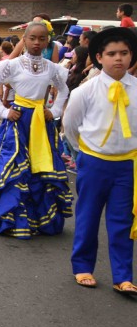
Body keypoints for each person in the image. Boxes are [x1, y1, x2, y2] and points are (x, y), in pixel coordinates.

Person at [0, 22, 73, 239]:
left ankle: (38, 219)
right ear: (25, 39)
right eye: (32, 38)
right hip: (18, 121)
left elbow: (64, 89)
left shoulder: (52, 67)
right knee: (12, 168)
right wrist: (3, 112)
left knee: (40, 169)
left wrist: (55, 110)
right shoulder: (11, 65)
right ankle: (6, 216)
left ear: (47, 40)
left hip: (41, 123)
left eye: (42, 39)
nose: (37, 43)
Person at [62, 27, 137, 295]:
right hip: (93, 163)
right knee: (88, 216)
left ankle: (123, 276)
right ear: (99, 57)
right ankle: (82, 266)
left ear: (132, 57)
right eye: (112, 53)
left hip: (127, 166)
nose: (118, 58)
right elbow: (70, 126)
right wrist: (82, 155)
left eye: (124, 53)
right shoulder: (86, 90)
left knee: (122, 222)